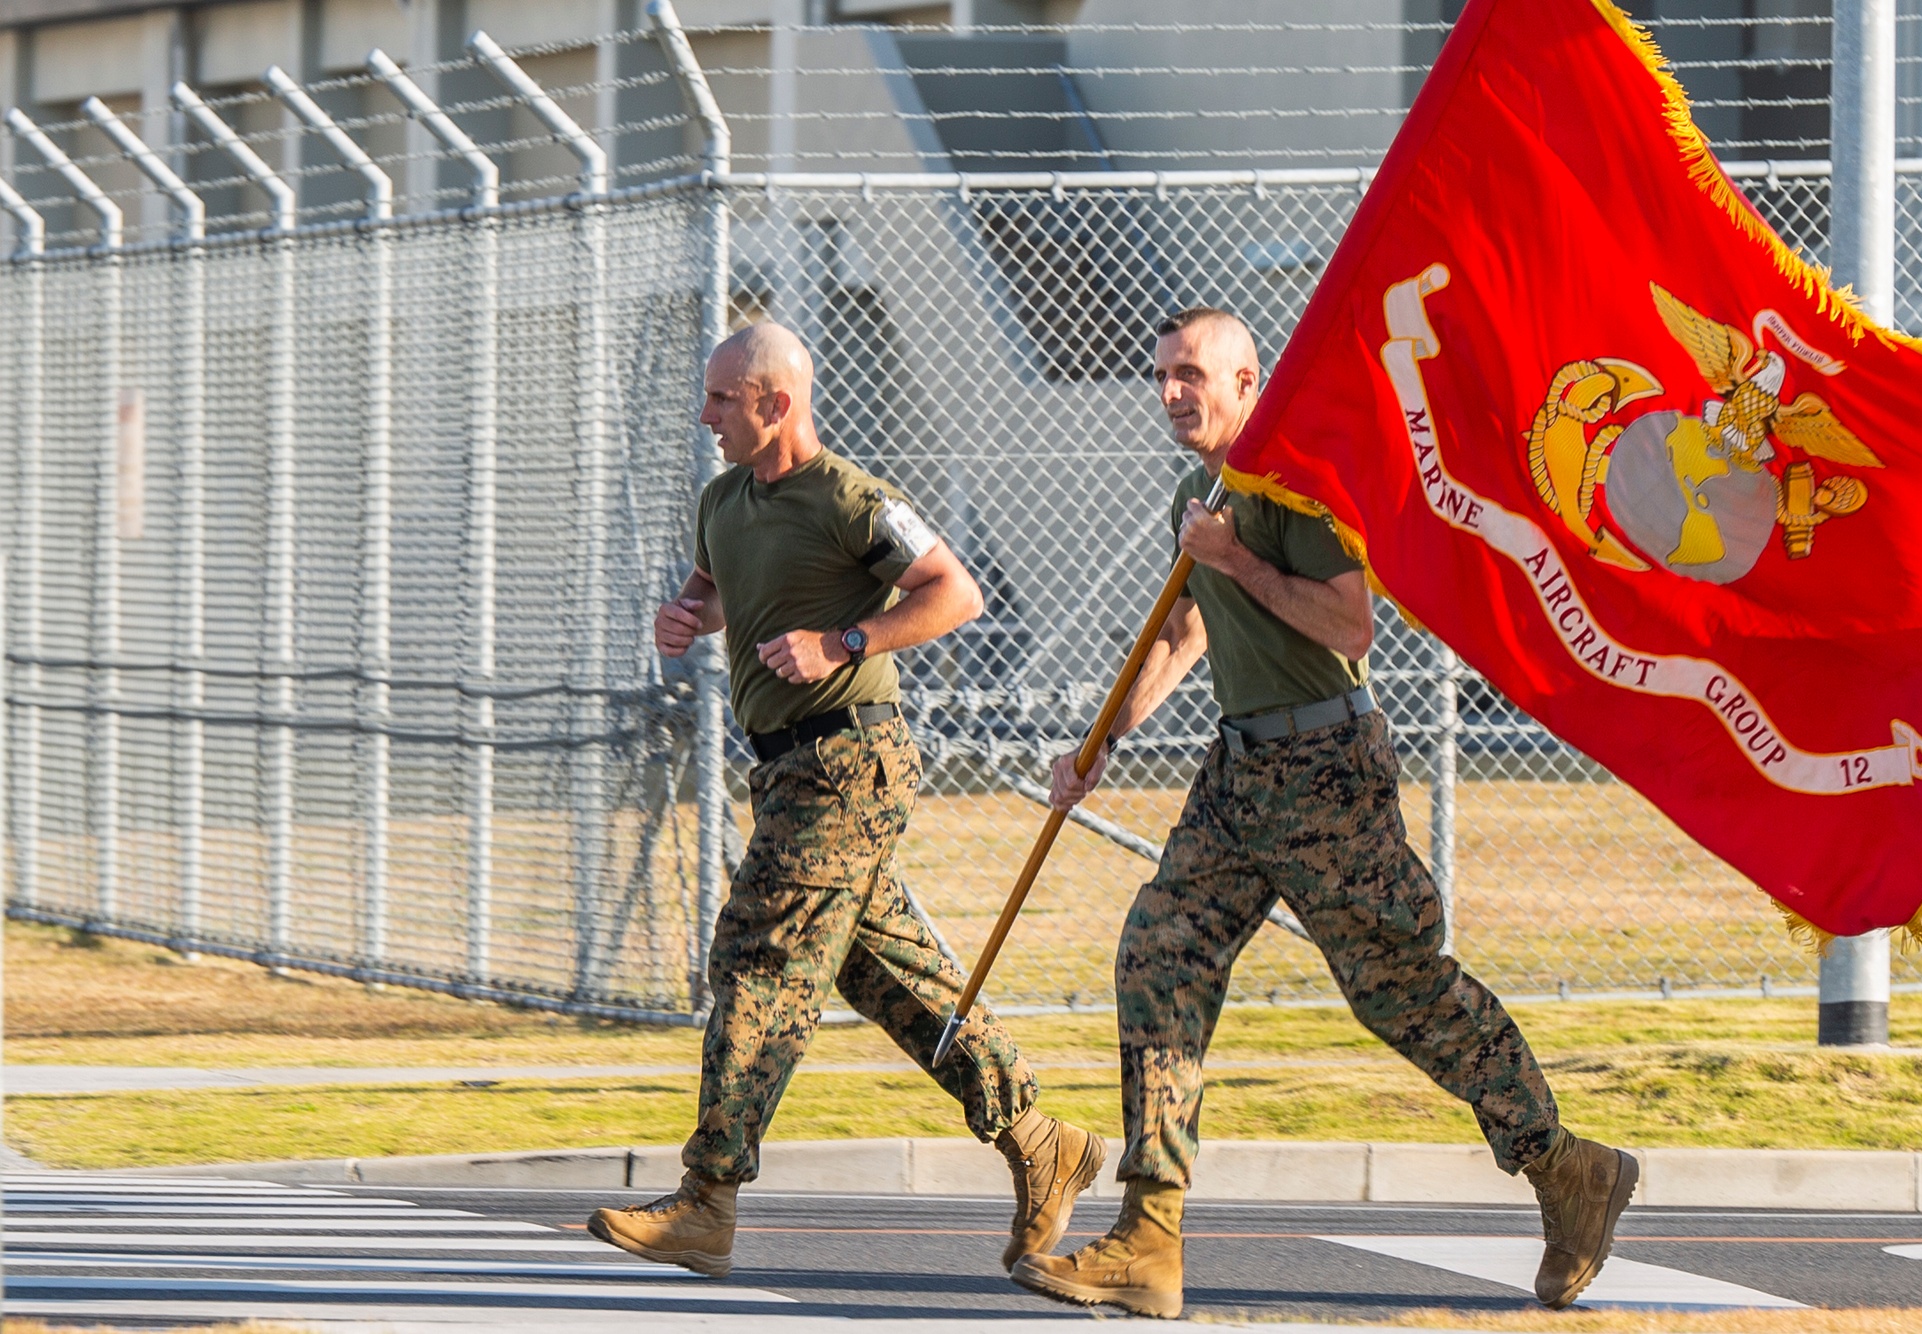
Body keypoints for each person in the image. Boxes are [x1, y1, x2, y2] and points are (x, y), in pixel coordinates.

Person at [1009, 309, 1637, 1319]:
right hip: (1238, 768)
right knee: (1159, 949)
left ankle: (1565, 1169)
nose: (1173, 392)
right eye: (1161, 373)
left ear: (1249, 381)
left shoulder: (1292, 478)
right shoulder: (1195, 491)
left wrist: (1238, 560)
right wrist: (1099, 742)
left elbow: (1349, 623)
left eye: (1193, 375)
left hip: (1325, 768)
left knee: (1398, 991)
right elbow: (1177, 636)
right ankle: (1148, 1232)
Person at [588, 322, 1103, 1278]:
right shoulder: (722, 502)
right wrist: (686, 618)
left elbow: (955, 591)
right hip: (782, 768)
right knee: (883, 973)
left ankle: (708, 1200)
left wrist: (848, 643)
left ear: (776, 404)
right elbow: (720, 594)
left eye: (721, 401)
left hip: (850, 763)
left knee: (758, 953)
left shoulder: (852, 498)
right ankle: (1040, 1139)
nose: (705, 417)